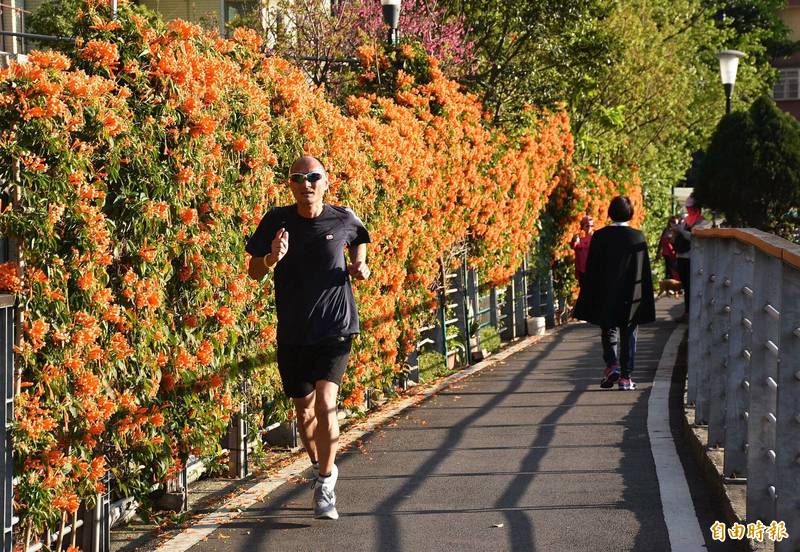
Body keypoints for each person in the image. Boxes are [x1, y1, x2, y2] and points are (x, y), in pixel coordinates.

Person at [246, 155, 371, 520]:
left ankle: (325, 483)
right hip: (294, 332)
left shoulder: (343, 217)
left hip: (336, 327)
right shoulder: (276, 220)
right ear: (290, 185)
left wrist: (359, 265)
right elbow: (254, 272)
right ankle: (320, 465)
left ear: (326, 182)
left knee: (325, 403)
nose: (306, 183)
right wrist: (271, 258)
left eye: (313, 177)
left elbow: (361, 237)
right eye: (298, 178)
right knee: (304, 412)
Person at [573, 196, 655, 390]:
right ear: (631, 213)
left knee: (608, 330)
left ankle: (612, 365)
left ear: (609, 213)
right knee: (629, 334)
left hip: (606, 292)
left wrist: (588, 294)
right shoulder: (637, 236)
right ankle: (626, 377)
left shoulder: (600, 236)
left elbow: (591, 268)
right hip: (630, 295)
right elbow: (643, 271)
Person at [671, 195, 709, 322]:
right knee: (686, 287)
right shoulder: (685, 220)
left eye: (691, 208)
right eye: (688, 208)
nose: (689, 210)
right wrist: (677, 231)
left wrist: (681, 231)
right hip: (682, 257)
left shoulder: (703, 222)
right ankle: (687, 313)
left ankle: (694, 313)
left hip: (693, 258)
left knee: (693, 286)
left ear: (697, 208)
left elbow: (694, 238)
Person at [570, 215, 594, 288]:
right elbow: (573, 246)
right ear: (582, 226)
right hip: (582, 271)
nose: (589, 228)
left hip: (592, 270)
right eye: (587, 226)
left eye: (591, 225)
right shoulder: (579, 238)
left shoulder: (595, 238)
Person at [655, 216, 680, 281]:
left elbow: (676, 244)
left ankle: (672, 286)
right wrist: (658, 253)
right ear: (669, 222)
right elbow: (661, 242)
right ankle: (668, 285)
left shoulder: (677, 231)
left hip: (673, 254)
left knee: (673, 271)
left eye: (676, 223)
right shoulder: (666, 230)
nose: (674, 224)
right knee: (668, 271)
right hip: (666, 254)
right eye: (673, 222)